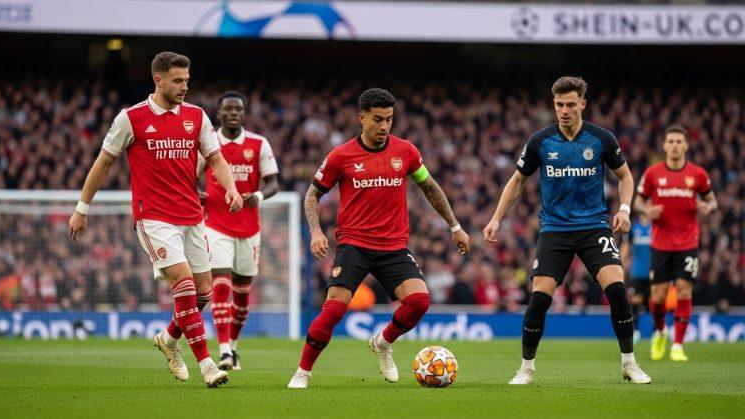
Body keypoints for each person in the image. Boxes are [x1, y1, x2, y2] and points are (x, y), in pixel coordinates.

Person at [68, 52, 243, 388]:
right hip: (154, 217)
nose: (184, 87)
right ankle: (207, 365)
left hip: (192, 215)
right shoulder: (130, 118)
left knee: (203, 294)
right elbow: (102, 164)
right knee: (185, 285)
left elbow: (216, 159)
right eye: (177, 81)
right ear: (158, 80)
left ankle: (169, 338)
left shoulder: (196, 116)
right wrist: (81, 208)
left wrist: (232, 188)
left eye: (187, 81)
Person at [287, 88, 471, 389]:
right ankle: (303, 372)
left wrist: (454, 226)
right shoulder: (341, 155)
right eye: (377, 120)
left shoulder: (406, 151)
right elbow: (312, 195)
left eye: (389, 119)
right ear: (361, 118)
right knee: (334, 308)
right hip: (354, 244)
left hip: (393, 246)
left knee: (419, 301)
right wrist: (316, 232)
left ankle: (383, 343)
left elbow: (430, 188)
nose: (384, 126)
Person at [483, 76, 651, 385]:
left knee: (617, 288)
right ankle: (526, 369)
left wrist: (625, 209)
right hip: (555, 230)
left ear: (582, 104)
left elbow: (625, 177)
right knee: (539, 298)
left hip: (594, 227)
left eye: (571, 104)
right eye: (559, 105)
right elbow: (518, 180)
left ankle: (629, 363)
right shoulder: (540, 141)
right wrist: (496, 217)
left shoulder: (601, 139)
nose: (564, 110)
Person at [198, 91, 279, 370]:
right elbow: (189, 175)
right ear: (219, 114)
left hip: (249, 227)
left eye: (238, 110)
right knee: (220, 285)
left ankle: (232, 347)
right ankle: (222, 352)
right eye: (228, 109)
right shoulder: (208, 142)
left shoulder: (258, 144)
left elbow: (273, 183)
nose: (233, 113)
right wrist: (198, 193)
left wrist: (259, 195)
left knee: (243, 293)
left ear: (243, 114)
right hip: (216, 224)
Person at [634, 125, 718, 362]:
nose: (674, 145)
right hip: (660, 244)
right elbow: (638, 202)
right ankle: (661, 332)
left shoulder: (698, 174)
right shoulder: (652, 173)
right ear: (664, 145)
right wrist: (648, 209)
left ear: (686, 145)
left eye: (679, 142)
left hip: (687, 243)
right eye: (670, 141)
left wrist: (707, 207)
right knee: (658, 297)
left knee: (684, 290)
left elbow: (713, 202)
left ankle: (678, 345)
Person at [620, 214, 652, 344]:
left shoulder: (655, 226)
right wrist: (621, 269)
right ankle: (637, 331)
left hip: (653, 272)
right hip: (637, 272)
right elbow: (625, 249)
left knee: (653, 302)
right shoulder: (633, 227)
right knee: (635, 301)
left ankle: (656, 333)